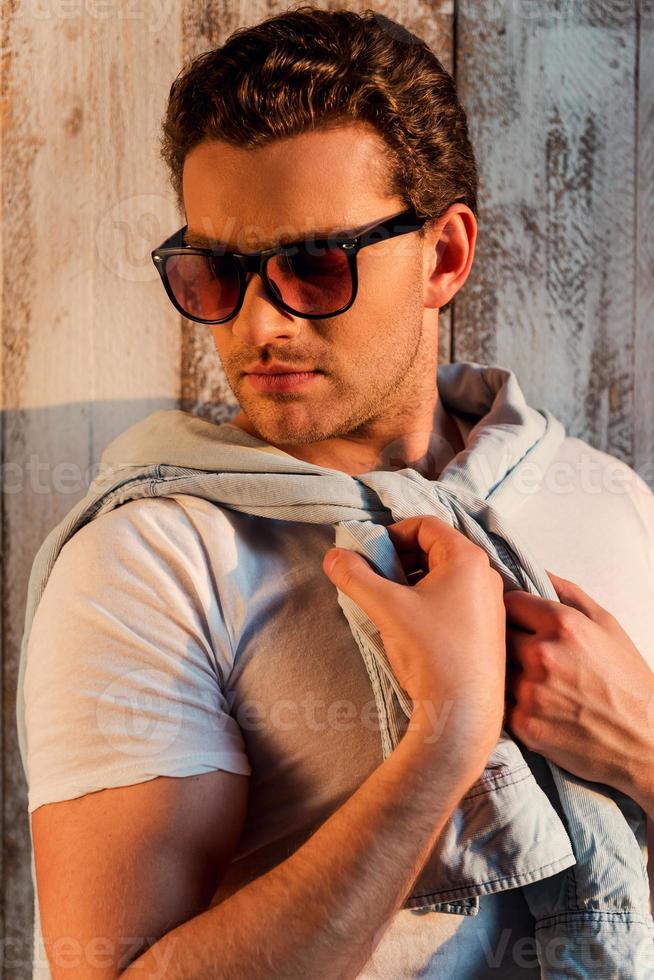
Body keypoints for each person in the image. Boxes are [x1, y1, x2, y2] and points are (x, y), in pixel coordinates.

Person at [23, 7, 654, 979]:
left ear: (444, 255)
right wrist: (446, 738)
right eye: (215, 272)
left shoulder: (602, 500)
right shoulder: (153, 560)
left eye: (314, 266)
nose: (256, 323)